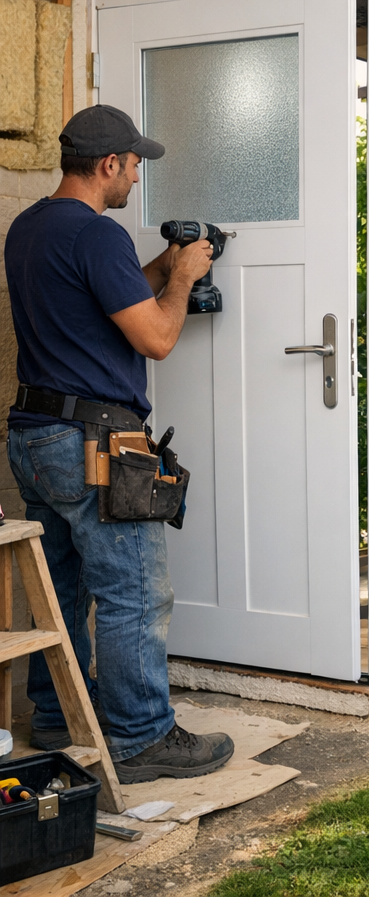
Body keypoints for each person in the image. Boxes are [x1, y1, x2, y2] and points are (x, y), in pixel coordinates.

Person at [4, 104, 234, 782]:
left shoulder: (29, 228)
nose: (137, 176)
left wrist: (162, 263)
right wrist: (187, 276)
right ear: (107, 165)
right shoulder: (96, 235)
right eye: (134, 164)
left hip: (34, 436)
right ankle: (140, 738)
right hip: (95, 442)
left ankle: (54, 714)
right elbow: (157, 338)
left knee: (65, 589)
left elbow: (101, 302)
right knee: (135, 592)